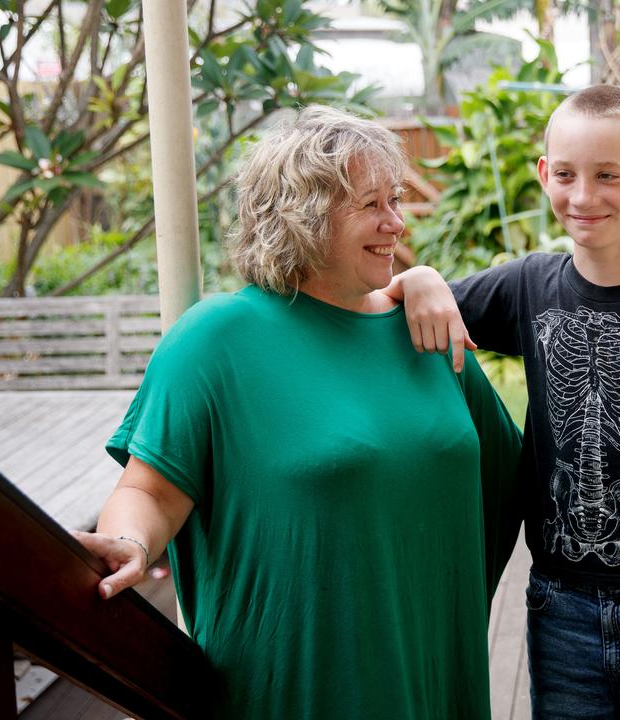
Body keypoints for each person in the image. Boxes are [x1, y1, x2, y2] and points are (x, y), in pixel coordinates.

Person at [71, 105, 522, 719]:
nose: (396, 222)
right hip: (293, 692)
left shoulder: (427, 334)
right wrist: (129, 542)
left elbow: (512, 480)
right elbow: (150, 490)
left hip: (433, 682)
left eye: (395, 200)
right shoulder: (216, 341)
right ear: (302, 217)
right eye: (371, 205)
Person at [388, 85, 620, 720]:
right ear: (544, 175)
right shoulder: (527, 287)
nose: (583, 196)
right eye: (565, 174)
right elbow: (398, 308)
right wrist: (420, 277)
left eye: (608, 176)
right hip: (559, 610)